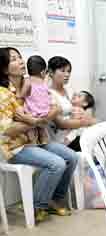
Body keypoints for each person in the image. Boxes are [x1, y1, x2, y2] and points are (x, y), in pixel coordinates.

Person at [0, 47, 77, 221]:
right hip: (16, 147)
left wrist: (39, 118)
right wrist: (33, 122)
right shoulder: (3, 94)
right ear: (4, 69)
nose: (20, 61)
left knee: (72, 157)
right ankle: (36, 206)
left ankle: (54, 200)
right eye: (13, 59)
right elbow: (7, 130)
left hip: (38, 140)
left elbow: (53, 107)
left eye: (20, 57)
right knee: (56, 163)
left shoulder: (33, 84)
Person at [47, 56, 95, 152]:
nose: (67, 74)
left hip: (75, 132)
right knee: (95, 144)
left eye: (68, 71)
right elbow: (61, 124)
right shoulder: (48, 94)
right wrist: (85, 122)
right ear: (51, 72)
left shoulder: (69, 90)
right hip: (62, 140)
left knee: (101, 139)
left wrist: (89, 119)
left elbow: (84, 105)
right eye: (62, 71)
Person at [17, 55, 51, 144]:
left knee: (31, 129)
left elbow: (23, 94)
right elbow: (47, 94)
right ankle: (43, 139)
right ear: (43, 72)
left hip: (32, 110)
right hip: (44, 111)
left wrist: (19, 95)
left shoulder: (27, 81)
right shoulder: (44, 82)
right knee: (42, 128)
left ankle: (33, 141)